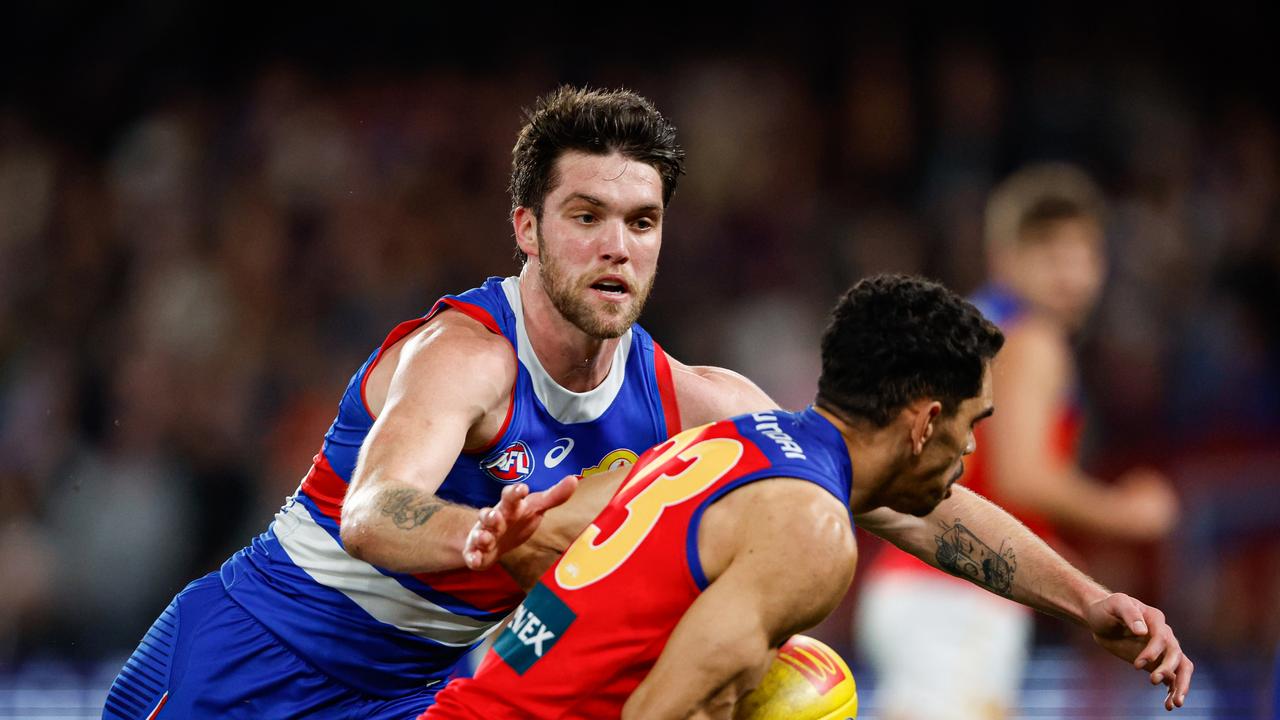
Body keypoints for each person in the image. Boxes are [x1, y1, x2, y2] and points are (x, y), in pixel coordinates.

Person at [102, 86, 777, 720]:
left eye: (642, 222)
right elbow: (370, 513)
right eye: (586, 216)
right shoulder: (467, 357)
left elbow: (845, 461)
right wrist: (483, 535)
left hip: (411, 697)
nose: (617, 247)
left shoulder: (693, 403)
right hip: (245, 671)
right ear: (526, 229)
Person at [423, 274, 1194, 720]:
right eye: (972, 426)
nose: (972, 451)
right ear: (926, 422)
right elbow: (659, 715)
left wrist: (1091, 604)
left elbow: (937, 520)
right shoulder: (813, 535)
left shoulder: (734, 445)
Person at [859, 163, 1181, 720]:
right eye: (1052, 257)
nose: (1073, 275)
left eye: (1085, 256)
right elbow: (1023, 478)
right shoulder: (1035, 340)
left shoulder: (974, 328)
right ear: (1005, 259)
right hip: (953, 596)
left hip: (925, 588)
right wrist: (1131, 513)